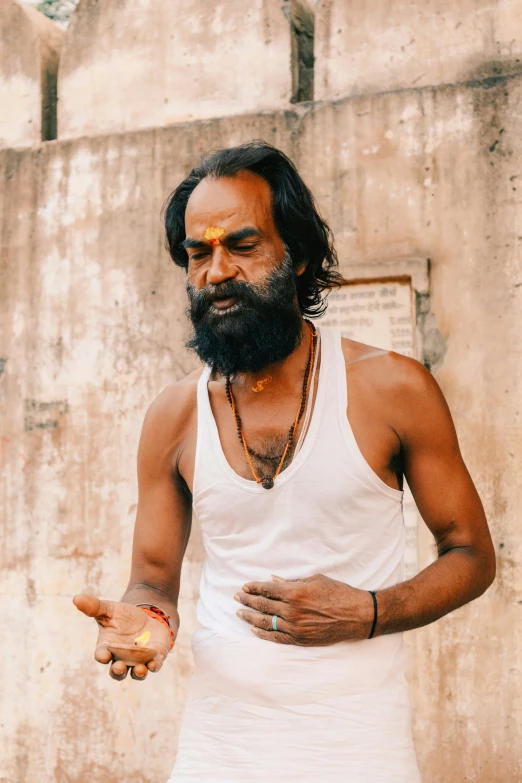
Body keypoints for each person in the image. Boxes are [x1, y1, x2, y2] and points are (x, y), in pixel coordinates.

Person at [74, 141, 496, 782]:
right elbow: (154, 579)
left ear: (297, 255)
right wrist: (147, 622)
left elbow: (471, 555)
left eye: (241, 246)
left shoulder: (393, 389)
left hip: (361, 753)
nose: (216, 271)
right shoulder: (174, 416)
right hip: (218, 754)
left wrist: (370, 610)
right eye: (198, 253)